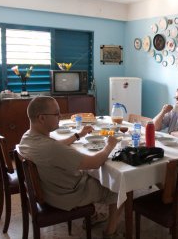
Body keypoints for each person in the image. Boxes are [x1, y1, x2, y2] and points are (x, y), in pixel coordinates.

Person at [18, 96, 123, 239]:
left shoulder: (27, 138)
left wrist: (77, 135)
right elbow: (94, 162)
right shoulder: (51, 149)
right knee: (118, 187)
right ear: (42, 118)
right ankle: (110, 233)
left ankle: (94, 215)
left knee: (94, 173)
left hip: (49, 191)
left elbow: (56, 147)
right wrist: (110, 145)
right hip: (67, 196)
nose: (60, 116)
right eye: (56, 114)